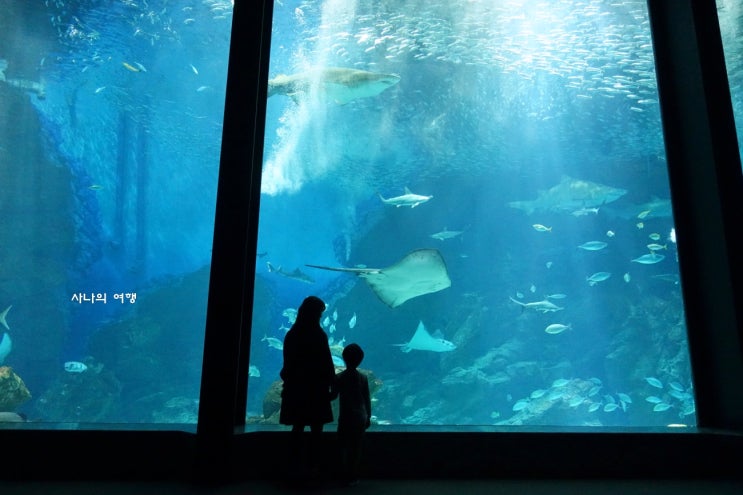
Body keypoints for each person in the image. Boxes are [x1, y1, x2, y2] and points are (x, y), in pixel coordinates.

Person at [279, 295, 336, 478]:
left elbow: (287, 366)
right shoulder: (319, 335)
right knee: (316, 430)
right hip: (317, 390)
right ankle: (314, 467)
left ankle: (293, 467)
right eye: (319, 313)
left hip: (296, 390)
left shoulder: (292, 334)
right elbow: (327, 363)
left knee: (297, 427)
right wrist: (333, 385)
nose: (320, 316)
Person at [331, 343, 372, 485]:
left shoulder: (339, 377)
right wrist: (368, 416)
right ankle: (352, 475)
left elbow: (333, 396)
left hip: (346, 416)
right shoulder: (363, 378)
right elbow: (367, 399)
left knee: (342, 444)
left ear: (343, 358)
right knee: (356, 446)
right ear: (360, 360)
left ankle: (342, 473)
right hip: (360, 416)